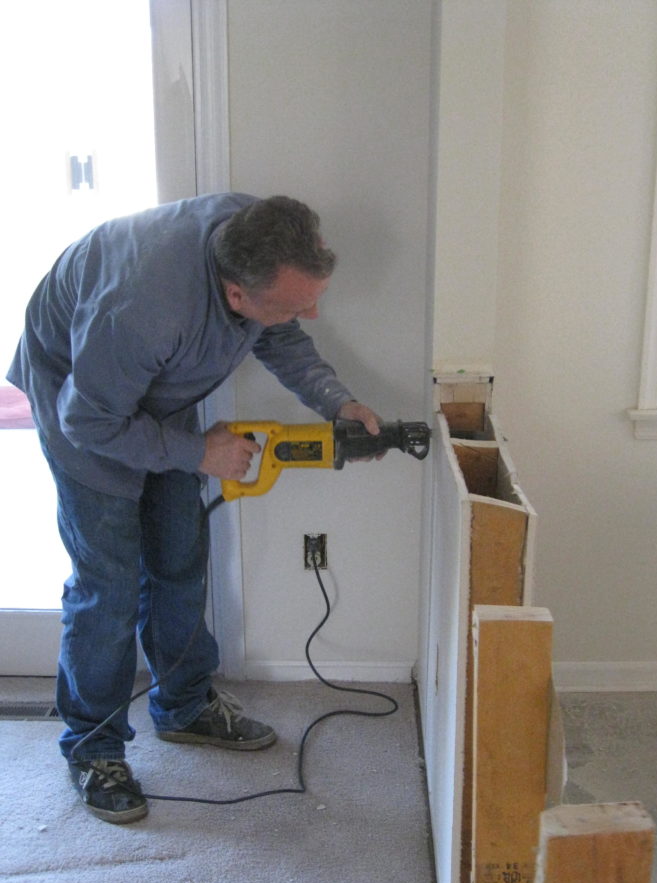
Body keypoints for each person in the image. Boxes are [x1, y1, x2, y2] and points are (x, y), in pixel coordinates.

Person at [7, 193, 381, 825]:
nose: (312, 312)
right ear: (236, 296)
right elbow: (89, 421)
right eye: (297, 302)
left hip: (149, 384)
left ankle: (183, 706)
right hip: (85, 408)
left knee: (180, 553)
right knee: (110, 583)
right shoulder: (144, 309)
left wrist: (336, 403)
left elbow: (281, 334)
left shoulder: (258, 234)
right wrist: (197, 452)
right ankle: (94, 747)